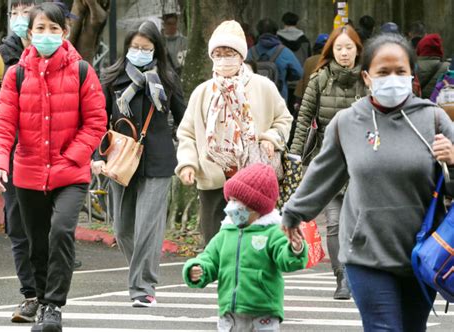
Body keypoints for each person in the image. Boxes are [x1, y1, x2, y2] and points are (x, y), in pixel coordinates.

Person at [282, 32, 454, 331]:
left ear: (412, 75)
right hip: (364, 253)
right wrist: (293, 213)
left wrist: (453, 160)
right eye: (383, 72)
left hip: (422, 254)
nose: (392, 78)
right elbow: (322, 176)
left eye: (400, 71)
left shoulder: (434, 119)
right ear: (366, 75)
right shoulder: (347, 123)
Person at [0, 3, 107, 331]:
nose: (47, 35)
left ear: (65, 33)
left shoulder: (82, 71)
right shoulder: (16, 74)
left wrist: (72, 157)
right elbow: (2, 123)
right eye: (40, 29)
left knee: (61, 231)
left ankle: (53, 305)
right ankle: (41, 301)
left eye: (54, 29)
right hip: (27, 173)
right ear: (29, 33)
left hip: (70, 172)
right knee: (36, 242)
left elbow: (96, 122)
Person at [93, 21, 186, 308]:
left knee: (147, 226)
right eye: (135, 47)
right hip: (121, 160)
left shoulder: (168, 79)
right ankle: (142, 276)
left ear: (156, 50)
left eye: (146, 48)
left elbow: (185, 120)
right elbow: (98, 120)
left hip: (158, 161)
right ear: (127, 48)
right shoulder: (111, 77)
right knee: (121, 229)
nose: (140, 52)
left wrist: (187, 154)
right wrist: (97, 156)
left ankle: (142, 288)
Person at [175, 20, 292, 245]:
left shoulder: (262, 86)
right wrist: (188, 163)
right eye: (217, 54)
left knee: (251, 242)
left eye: (229, 53)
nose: (223, 59)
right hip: (213, 179)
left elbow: (283, 119)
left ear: (241, 56)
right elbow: (187, 133)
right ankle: (221, 281)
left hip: (251, 180)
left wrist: (270, 138)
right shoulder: (202, 92)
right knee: (215, 243)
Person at [182, 163, 308, 332]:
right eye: (231, 200)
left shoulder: (272, 233)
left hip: (264, 313)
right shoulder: (225, 234)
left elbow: (288, 261)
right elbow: (209, 259)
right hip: (230, 313)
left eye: (237, 201)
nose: (231, 206)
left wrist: (296, 248)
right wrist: (198, 269)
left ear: (256, 206)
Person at [290, 25, 366, 300]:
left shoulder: (368, 80)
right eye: (339, 48)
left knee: (360, 222)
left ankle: (360, 273)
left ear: (358, 50)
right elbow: (304, 119)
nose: (345, 53)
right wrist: (295, 153)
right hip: (330, 159)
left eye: (349, 47)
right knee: (334, 222)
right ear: (331, 51)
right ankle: (341, 278)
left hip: (363, 162)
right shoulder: (319, 79)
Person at [0, 0, 38, 323]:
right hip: (12, 157)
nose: (22, 15)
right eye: (16, 9)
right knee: (18, 226)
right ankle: (31, 295)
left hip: (47, 159)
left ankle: (49, 294)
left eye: (28, 8)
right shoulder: (0, 60)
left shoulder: (62, 58)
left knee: (46, 227)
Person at [247, 18, 303, 104]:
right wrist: (284, 76)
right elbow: (299, 73)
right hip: (279, 100)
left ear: (258, 32)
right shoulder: (284, 52)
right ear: (276, 32)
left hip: (255, 101)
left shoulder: (251, 52)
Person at [416, 33, 450, 99]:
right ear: (439, 49)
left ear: (420, 48)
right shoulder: (448, 68)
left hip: (415, 107)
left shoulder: (410, 67)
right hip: (439, 107)